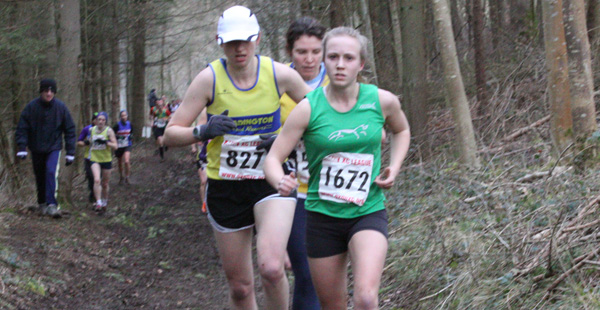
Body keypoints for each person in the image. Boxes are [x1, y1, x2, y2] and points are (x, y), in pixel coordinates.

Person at [163, 5, 311, 309]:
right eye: (231, 42)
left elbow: (319, 115)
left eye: (245, 40)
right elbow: (170, 133)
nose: (239, 48)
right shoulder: (209, 79)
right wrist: (203, 131)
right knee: (241, 288)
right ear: (220, 42)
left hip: (271, 181)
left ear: (256, 38)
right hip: (225, 186)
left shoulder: (278, 74)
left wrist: (285, 138)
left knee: (271, 268)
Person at [264, 27, 411, 310]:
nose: (340, 64)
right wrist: (279, 179)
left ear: (361, 64)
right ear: (324, 61)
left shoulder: (381, 101)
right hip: (322, 218)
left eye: (348, 57)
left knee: (366, 298)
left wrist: (395, 166)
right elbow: (273, 157)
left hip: (367, 211)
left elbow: (402, 129)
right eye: (333, 57)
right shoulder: (308, 107)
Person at [273, 16, 329, 310]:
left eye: (316, 52)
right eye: (301, 52)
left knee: (326, 277)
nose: (309, 59)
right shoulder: (277, 86)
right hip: (292, 193)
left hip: (334, 192)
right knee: (306, 274)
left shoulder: (339, 80)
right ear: (289, 52)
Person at [15, 78, 76, 218]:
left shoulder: (61, 108)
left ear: (54, 92)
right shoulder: (31, 107)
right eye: (46, 90)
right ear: (41, 91)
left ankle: (52, 205)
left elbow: (70, 129)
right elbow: (22, 128)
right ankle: (42, 202)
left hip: (53, 147)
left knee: (50, 171)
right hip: (36, 147)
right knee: (40, 175)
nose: (48, 93)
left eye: (51, 91)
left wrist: (70, 151)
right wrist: (22, 147)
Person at [87, 111, 117, 213]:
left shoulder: (109, 131)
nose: (101, 122)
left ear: (105, 121)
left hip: (106, 160)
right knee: (96, 180)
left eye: (103, 120)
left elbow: (115, 146)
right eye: (99, 119)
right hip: (95, 159)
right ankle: (98, 202)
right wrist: (88, 141)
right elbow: (89, 141)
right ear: (96, 121)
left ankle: (104, 200)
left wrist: (106, 142)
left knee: (105, 183)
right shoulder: (91, 130)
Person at [77, 112, 98, 202]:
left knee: (97, 178)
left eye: (100, 119)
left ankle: (98, 197)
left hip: (100, 158)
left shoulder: (105, 129)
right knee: (90, 177)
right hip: (88, 157)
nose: (98, 122)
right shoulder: (87, 129)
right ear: (92, 120)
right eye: (96, 119)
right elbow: (79, 142)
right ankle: (92, 193)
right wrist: (86, 142)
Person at [113, 110, 133, 184]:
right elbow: (112, 134)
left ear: (127, 116)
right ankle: (121, 176)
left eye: (125, 115)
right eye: (122, 116)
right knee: (120, 162)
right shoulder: (117, 125)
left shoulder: (130, 124)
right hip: (119, 145)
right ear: (120, 117)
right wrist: (117, 137)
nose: (124, 117)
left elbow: (131, 132)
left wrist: (131, 136)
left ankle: (127, 177)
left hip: (127, 144)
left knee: (127, 161)